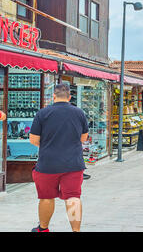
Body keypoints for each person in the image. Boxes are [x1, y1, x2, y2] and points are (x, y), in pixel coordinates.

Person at [28, 84, 89, 232]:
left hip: (47, 164)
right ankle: (76, 230)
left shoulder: (42, 114)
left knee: (46, 197)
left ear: (53, 96)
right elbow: (83, 138)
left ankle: (43, 229)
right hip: (73, 164)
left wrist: (49, 145)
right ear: (69, 97)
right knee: (73, 197)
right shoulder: (79, 113)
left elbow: (33, 139)